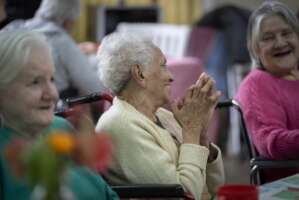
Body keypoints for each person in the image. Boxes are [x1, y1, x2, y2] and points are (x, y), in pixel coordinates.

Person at [95, 32, 225, 200]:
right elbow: (186, 194)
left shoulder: (161, 115)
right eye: (163, 65)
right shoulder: (120, 125)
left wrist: (201, 136)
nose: (171, 77)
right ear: (140, 73)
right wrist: (191, 129)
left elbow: (217, 187)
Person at [0, 29, 119, 200]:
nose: (52, 94)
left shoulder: (61, 127)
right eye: (35, 82)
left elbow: (107, 195)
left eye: (51, 79)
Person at [236, 1, 299, 182]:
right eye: (268, 38)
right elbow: (271, 141)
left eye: (287, 33)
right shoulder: (256, 84)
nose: (280, 43)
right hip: (289, 185)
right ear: (255, 48)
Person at [4, 0, 105, 99]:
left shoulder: (12, 28)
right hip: (51, 106)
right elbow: (95, 88)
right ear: (67, 21)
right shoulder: (60, 39)